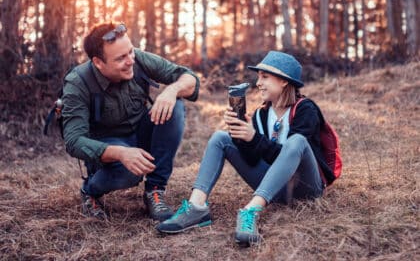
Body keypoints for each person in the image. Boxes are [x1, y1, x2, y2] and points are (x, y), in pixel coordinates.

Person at [156, 51, 332, 246]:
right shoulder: (261, 115)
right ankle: (196, 206)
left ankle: (251, 211)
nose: (258, 83)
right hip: (275, 191)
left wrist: (254, 137)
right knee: (220, 137)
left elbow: (291, 159)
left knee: (297, 141)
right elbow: (254, 160)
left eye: (265, 77)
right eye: (258, 77)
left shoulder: (305, 109)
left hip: (306, 188)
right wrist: (242, 138)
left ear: (283, 81)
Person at [62, 22, 199, 221]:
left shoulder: (136, 58)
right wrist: (121, 153)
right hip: (109, 149)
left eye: (130, 52)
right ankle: (90, 191)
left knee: (174, 106)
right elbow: (74, 141)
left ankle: (155, 190)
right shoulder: (78, 82)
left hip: (140, 133)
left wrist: (171, 90)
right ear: (99, 63)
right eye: (120, 58)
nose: (130, 61)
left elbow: (189, 78)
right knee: (128, 172)